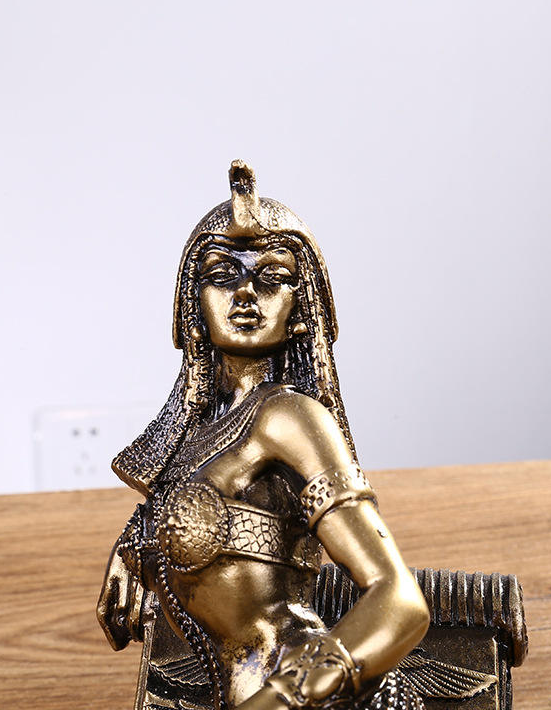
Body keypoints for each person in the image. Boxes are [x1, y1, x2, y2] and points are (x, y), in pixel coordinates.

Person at [97, 161, 430, 710]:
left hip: (294, 687)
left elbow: (401, 601)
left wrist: (284, 697)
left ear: (300, 308)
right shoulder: (199, 438)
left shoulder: (289, 418)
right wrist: (135, 544)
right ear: (194, 303)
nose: (246, 294)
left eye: (272, 277)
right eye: (222, 275)